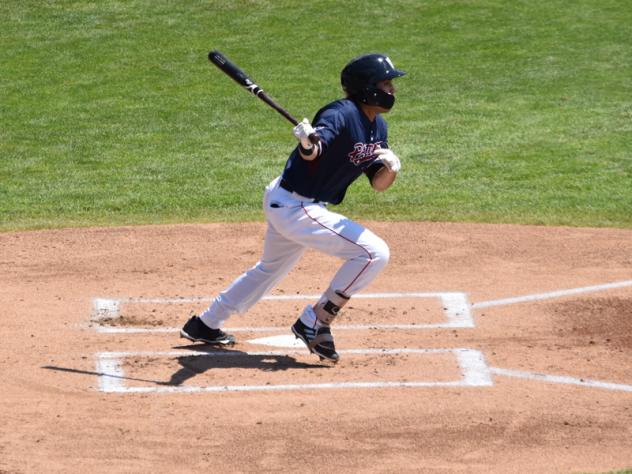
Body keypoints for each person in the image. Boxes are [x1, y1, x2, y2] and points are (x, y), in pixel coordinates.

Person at [180, 53, 406, 363]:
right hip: (295, 206)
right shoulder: (339, 113)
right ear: (368, 87)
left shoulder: (377, 127)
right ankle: (315, 320)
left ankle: (205, 324)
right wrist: (308, 143)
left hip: (293, 203)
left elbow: (378, 184)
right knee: (373, 253)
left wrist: (391, 168)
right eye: (387, 83)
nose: (392, 89)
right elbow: (314, 152)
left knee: (269, 269)